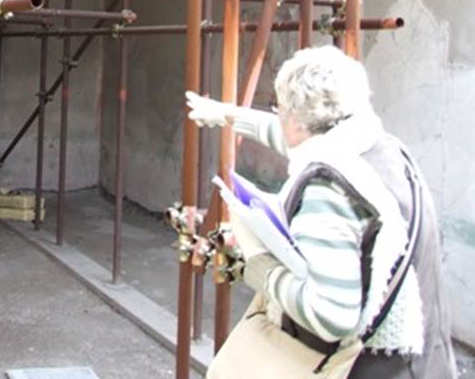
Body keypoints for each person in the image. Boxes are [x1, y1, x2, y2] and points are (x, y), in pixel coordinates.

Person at [188, 45, 456, 378]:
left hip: (372, 368)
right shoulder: (374, 148)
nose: (279, 118)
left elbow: (331, 316)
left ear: (299, 122)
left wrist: (260, 270)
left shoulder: (328, 190)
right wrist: (227, 115)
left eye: (281, 109)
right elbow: (291, 135)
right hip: (423, 359)